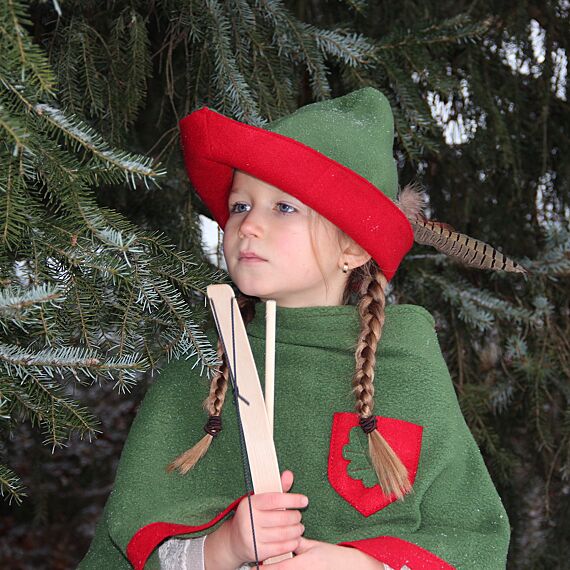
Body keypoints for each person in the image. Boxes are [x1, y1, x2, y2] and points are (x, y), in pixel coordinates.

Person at [79, 88, 514, 570]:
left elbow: (470, 538)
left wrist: (362, 565)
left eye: (284, 208)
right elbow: (134, 546)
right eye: (241, 206)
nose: (247, 226)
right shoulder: (205, 365)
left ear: (353, 248)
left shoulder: (405, 367)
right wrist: (223, 548)